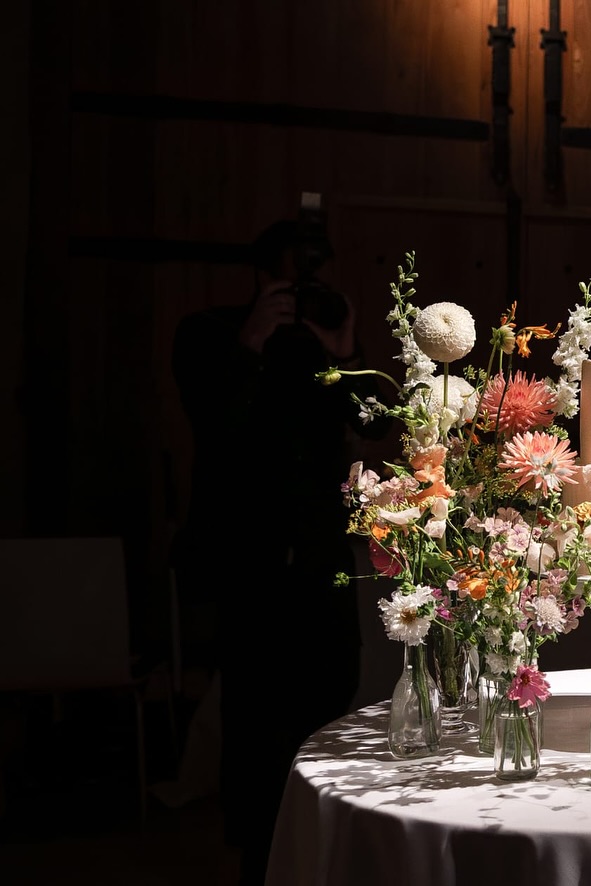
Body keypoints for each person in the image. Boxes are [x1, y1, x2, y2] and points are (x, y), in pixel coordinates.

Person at [171, 217, 387, 884]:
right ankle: (259, 856)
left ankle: (319, 842)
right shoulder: (210, 332)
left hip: (320, 551)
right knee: (256, 713)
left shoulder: (319, 346)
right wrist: (252, 341)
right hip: (248, 554)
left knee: (332, 685)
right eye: (289, 279)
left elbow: (378, 423)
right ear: (262, 276)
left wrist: (345, 350)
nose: (301, 292)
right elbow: (212, 421)